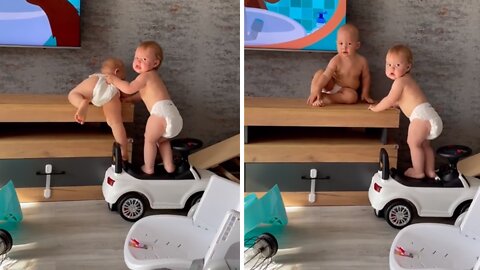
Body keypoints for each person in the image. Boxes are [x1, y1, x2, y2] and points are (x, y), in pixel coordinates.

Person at [106, 41, 183, 175]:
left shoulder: (145, 76)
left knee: (149, 139)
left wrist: (114, 80)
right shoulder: (153, 78)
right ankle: (169, 166)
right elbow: (141, 95)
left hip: (160, 114)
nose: (138, 61)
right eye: (136, 58)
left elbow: (129, 88)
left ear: (155, 63)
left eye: (144, 59)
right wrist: (128, 100)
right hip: (173, 115)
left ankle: (149, 168)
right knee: (162, 140)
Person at [369, 44, 443, 179]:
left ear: (408, 67)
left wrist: (376, 107)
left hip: (420, 117)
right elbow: (403, 101)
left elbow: (390, 99)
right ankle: (430, 171)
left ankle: (418, 171)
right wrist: (396, 104)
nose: (391, 68)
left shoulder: (400, 82)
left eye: (397, 65)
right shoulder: (408, 81)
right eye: (388, 64)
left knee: (413, 143)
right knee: (425, 145)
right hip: (429, 115)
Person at [68, 57, 129, 161]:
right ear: (117, 72)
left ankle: (81, 102)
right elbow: (126, 92)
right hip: (110, 91)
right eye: (122, 78)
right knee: (115, 123)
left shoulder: (96, 77)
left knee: (72, 94)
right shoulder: (115, 82)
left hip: (93, 84)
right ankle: (123, 152)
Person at [307, 23, 373, 107]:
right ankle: (315, 94)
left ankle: (325, 97)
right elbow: (326, 76)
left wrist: (365, 93)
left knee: (352, 97)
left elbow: (366, 77)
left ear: (357, 45)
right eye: (341, 43)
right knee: (320, 73)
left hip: (346, 90)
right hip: (331, 85)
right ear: (336, 44)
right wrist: (318, 88)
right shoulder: (336, 60)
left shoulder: (362, 61)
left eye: (349, 44)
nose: (344, 47)